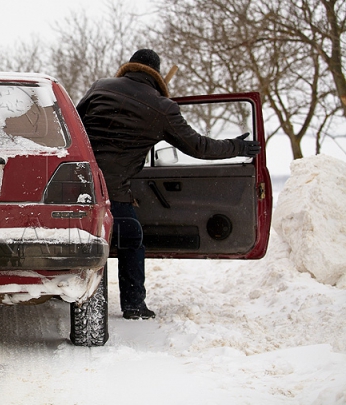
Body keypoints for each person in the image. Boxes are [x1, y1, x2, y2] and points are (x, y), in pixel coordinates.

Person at [76, 49, 261, 320]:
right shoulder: (162, 108)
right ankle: (133, 305)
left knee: (78, 242)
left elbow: (72, 126)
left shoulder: (100, 87)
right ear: (157, 74)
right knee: (132, 239)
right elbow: (199, 146)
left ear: (129, 67)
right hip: (114, 192)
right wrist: (237, 146)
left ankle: (69, 291)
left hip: (77, 184)